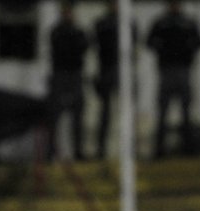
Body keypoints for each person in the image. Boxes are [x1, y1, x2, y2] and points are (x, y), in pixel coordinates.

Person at [147, 0, 200, 158]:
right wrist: (163, 49)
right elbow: (149, 42)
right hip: (166, 71)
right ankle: (159, 150)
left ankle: (188, 149)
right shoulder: (160, 23)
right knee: (163, 112)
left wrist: (187, 49)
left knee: (186, 111)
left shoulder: (188, 22)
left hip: (183, 70)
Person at [92, 1, 135, 159]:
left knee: (125, 111)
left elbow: (133, 45)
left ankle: (129, 148)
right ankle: (101, 149)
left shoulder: (127, 22)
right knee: (105, 112)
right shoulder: (102, 23)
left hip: (123, 70)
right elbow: (96, 45)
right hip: (106, 69)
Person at [46, 2, 89, 161]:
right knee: (54, 116)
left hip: (75, 75)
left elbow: (83, 48)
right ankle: (50, 151)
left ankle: (78, 151)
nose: (68, 15)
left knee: (77, 115)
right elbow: (60, 49)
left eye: (69, 12)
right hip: (60, 75)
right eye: (65, 12)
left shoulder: (78, 31)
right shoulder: (56, 31)